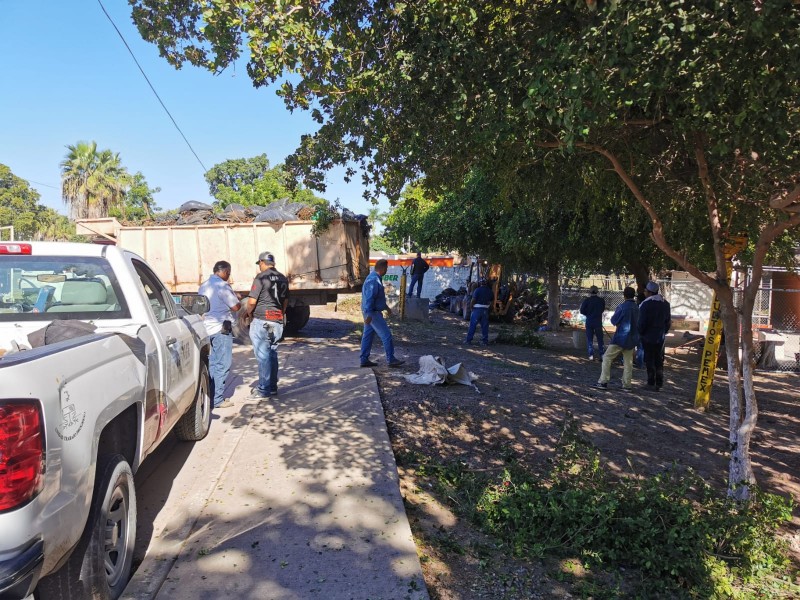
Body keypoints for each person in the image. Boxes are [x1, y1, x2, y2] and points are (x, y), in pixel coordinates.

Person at [239, 251, 289, 399]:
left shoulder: (260, 277)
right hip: (275, 322)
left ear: (262, 262)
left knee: (263, 354)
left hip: (262, 321)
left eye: (259, 264)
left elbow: (252, 301)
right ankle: (272, 386)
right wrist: (279, 313)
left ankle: (263, 389)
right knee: (271, 352)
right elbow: (285, 301)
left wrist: (247, 313)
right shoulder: (283, 278)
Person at [198, 261, 241, 409]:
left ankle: (210, 397)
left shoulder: (204, 285)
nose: (228, 276)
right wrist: (237, 298)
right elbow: (235, 306)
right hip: (221, 329)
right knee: (223, 364)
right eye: (228, 273)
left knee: (213, 364)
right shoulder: (222, 286)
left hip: (207, 329)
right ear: (225, 271)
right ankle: (217, 400)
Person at [361, 259, 405, 368]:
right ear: (383, 268)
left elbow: (377, 298)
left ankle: (364, 359)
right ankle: (391, 359)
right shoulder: (374, 280)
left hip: (371, 312)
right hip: (373, 313)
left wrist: (386, 308)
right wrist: (369, 314)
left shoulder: (373, 278)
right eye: (387, 268)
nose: (387, 270)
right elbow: (370, 299)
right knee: (386, 335)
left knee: (368, 336)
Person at [595, 286, 639, 390]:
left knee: (607, 357)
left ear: (624, 295)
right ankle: (627, 385)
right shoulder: (637, 308)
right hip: (632, 338)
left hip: (620, 337)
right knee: (628, 362)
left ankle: (603, 381)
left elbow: (614, 320)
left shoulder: (622, 307)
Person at [638, 280, 672, 390]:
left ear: (649, 292)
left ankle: (651, 382)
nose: (644, 292)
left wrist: (641, 332)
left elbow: (642, 322)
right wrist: (663, 331)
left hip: (648, 336)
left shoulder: (645, 304)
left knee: (649, 359)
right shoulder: (665, 304)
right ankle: (659, 382)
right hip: (660, 336)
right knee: (659, 359)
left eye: (645, 291)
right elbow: (668, 321)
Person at [579, 285, 606, 360]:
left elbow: (582, 311)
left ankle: (591, 355)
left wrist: (588, 313)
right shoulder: (601, 300)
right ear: (597, 292)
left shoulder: (587, 300)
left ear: (590, 292)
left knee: (589, 339)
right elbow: (602, 309)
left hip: (589, 321)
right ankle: (602, 354)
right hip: (598, 321)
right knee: (600, 339)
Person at [464, 279, 494, 346]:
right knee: (485, 326)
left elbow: (473, 300)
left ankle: (468, 340)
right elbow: (491, 303)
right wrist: (489, 310)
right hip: (485, 310)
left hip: (477, 309)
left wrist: (471, 308)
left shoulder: (477, 290)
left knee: (472, 325)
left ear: (480, 283)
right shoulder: (490, 291)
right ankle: (484, 341)